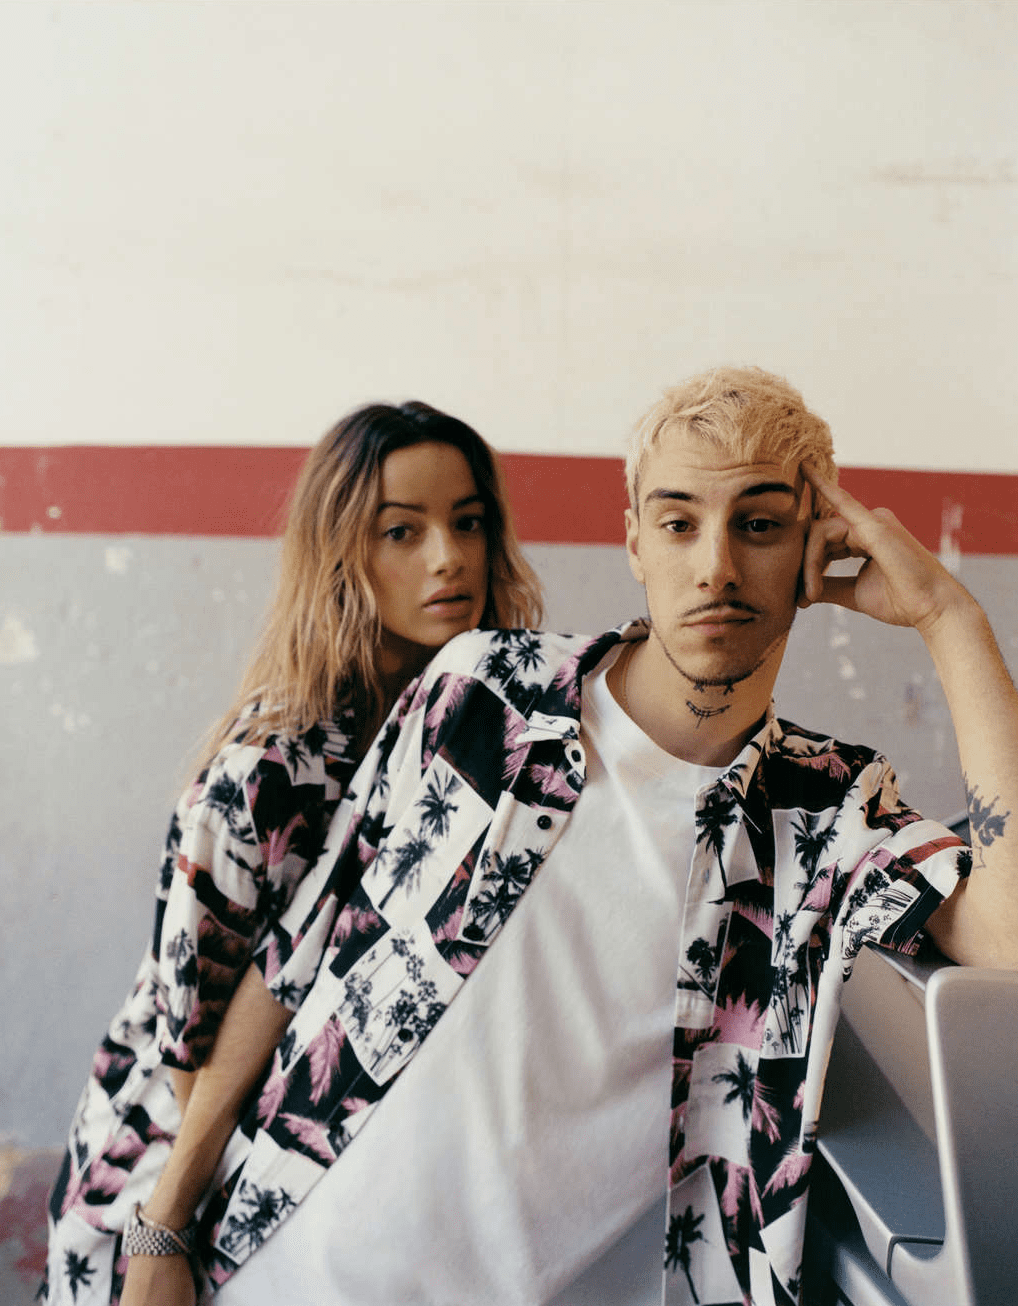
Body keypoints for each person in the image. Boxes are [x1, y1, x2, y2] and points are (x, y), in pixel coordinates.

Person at [68, 365, 1018, 1306]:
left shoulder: (828, 814)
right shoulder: (484, 689)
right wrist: (167, 1219)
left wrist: (949, 620)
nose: (717, 567)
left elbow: (1007, 939)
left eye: (760, 525)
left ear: (816, 547)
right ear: (634, 540)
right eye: (679, 523)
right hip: (284, 1268)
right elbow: (297, 955)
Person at [42, 400, 544, 1306]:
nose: (448, 557)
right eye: (402, 531)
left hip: (324, 1164)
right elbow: (188, 1041)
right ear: (341, 553)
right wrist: (166, 1228)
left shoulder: (472, 728)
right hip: (165, 1177)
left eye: (468, 523)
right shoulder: (268, 771)